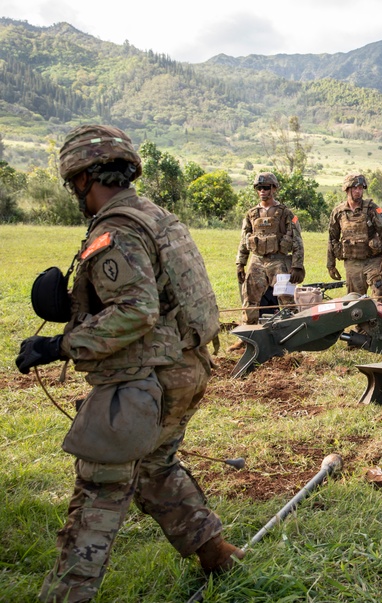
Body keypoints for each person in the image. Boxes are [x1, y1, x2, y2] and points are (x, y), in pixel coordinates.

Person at [15, 124, 242, 603]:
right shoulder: (158, 217)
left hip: (144, 382)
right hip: (187, 370)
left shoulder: (115, 230)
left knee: (99, 491)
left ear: (82, 179)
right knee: (155, 468)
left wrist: (60, 345)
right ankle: (216, 553)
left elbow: (137, 310)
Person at [234, 172, 305, 332]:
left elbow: (297, 240)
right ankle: (248, 333)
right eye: (259, 188)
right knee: (250, 298)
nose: (262, 191)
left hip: (279, 261)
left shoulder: (286, 213)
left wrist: (297, 265)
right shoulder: (251, 214)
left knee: (286, 300)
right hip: (257, 260)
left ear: (273, 188)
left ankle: (293, 334)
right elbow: (244, 239)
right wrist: (240, 263)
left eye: (266, 187)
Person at [327, 173, 382, 304]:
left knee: (380, 292)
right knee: (354, 300)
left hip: (373, 261)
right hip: (352, 262)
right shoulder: (338, 212)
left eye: (361, 188)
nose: (358, 191)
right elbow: (332, 238)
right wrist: (331, 265)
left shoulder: (372, 208)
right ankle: (360, 325)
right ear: (347, 189)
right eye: (354, 188)